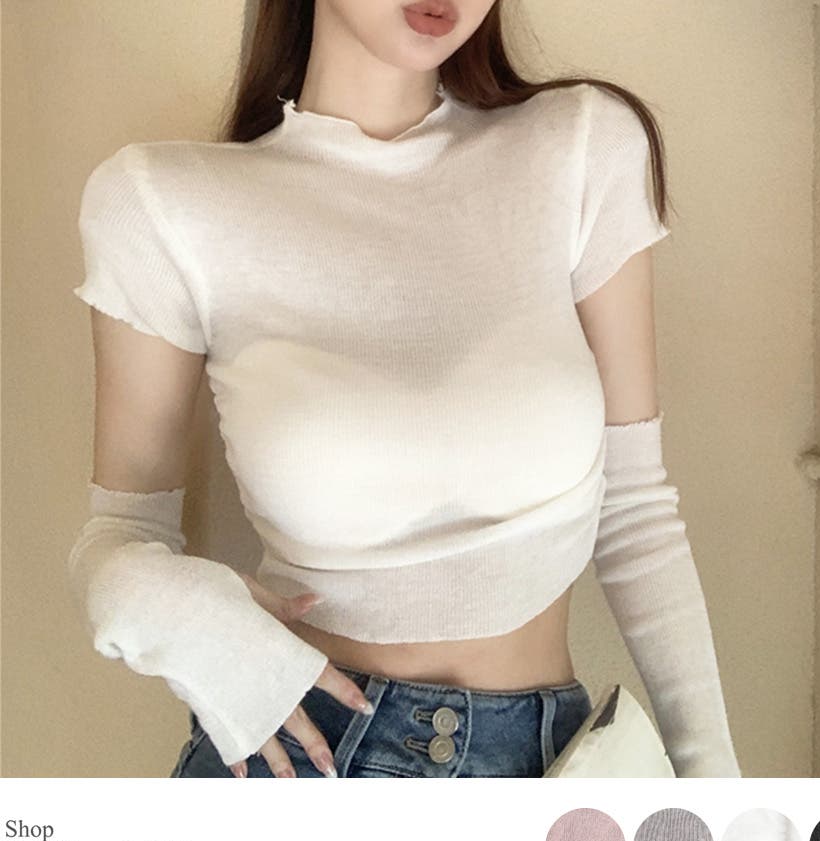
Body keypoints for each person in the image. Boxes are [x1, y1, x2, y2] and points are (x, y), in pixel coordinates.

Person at [67, 0, 742, 779]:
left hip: (545, 770)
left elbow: (636, 506)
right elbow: (120, 537)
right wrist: (185, 619)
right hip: (306, 760)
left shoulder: (582, 145)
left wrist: (718, 793)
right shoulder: (162, 203)